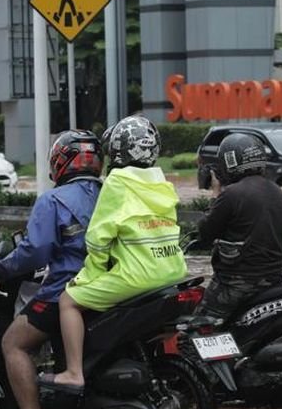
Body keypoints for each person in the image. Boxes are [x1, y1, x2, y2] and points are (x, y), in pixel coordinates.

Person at [39, 115, 188, 394]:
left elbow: (98, 237)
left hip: (138, 275)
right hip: (173, 271)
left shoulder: (117, 182)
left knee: (68, 301)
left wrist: (88, 276)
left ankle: (73, 373)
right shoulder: (159, 180)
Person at [0, 130, 104, 409]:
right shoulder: (112, 193)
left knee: (13, 341)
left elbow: (35, 252)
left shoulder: (52, 200)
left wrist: (0, 269)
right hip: (113, 286)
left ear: (59, 163)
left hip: (66, 288)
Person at [192, 133, 282, 321]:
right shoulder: (276, 191)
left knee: (194, 332)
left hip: (236, 283)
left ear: (229, 162)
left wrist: (215, 192)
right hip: (274, 279)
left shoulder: (231, 195)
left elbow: (205, 230)